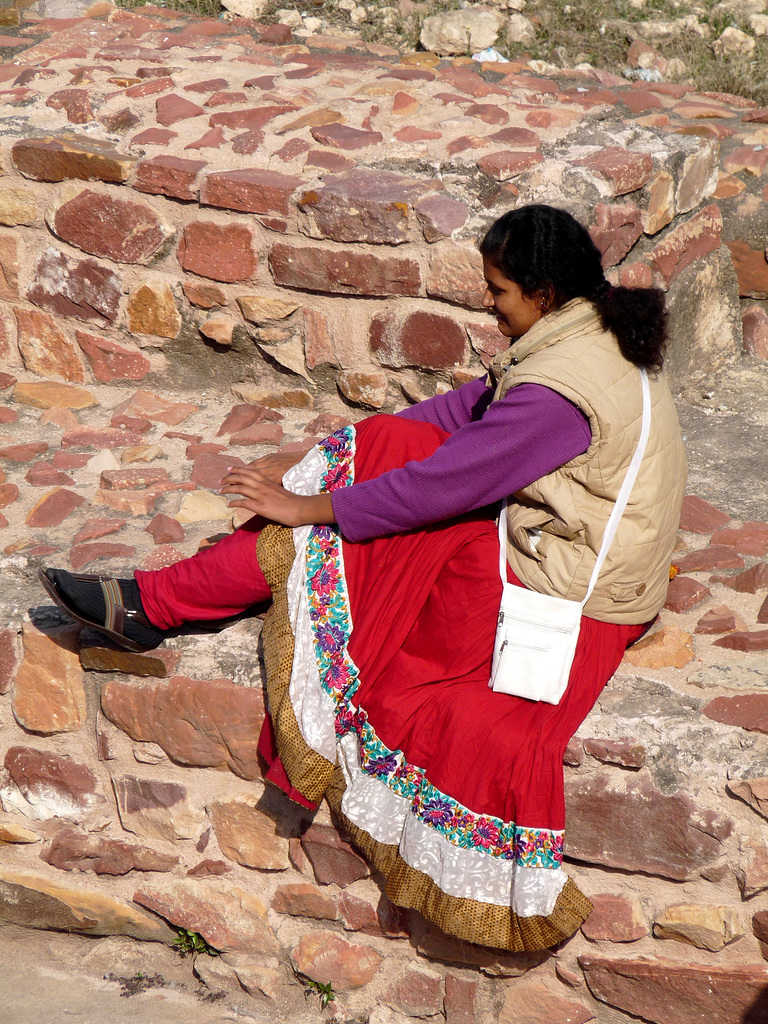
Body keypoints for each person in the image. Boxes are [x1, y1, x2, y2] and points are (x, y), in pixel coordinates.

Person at [41, 204, 686, 953]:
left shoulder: (557, 392)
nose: (488, 302)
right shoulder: (577, 331)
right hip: (549, 549)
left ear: (542, 293)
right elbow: (460, 418)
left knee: (365, 524)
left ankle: (155, 604)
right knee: (389, 440)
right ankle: (156, 602)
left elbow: (444, 485)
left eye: (498, 290)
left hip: (569, 595)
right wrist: (313, 480)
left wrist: (307, 502)